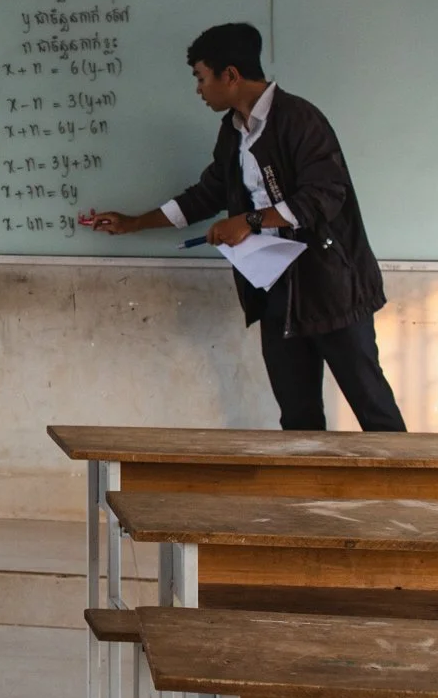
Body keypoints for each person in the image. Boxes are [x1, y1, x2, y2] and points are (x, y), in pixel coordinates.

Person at [88, 23, 406, 432]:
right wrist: (133, 223)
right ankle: (306, 478)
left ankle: (405, 477)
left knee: (373, 408)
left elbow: (324, 195)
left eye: (201, 78)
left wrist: (250, 221)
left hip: (332, 287)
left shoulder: (299, 119)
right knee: (298, 419)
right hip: (275, 289)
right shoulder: (233, 131)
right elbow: (207, 194)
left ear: (231, 75)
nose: (198, 90)